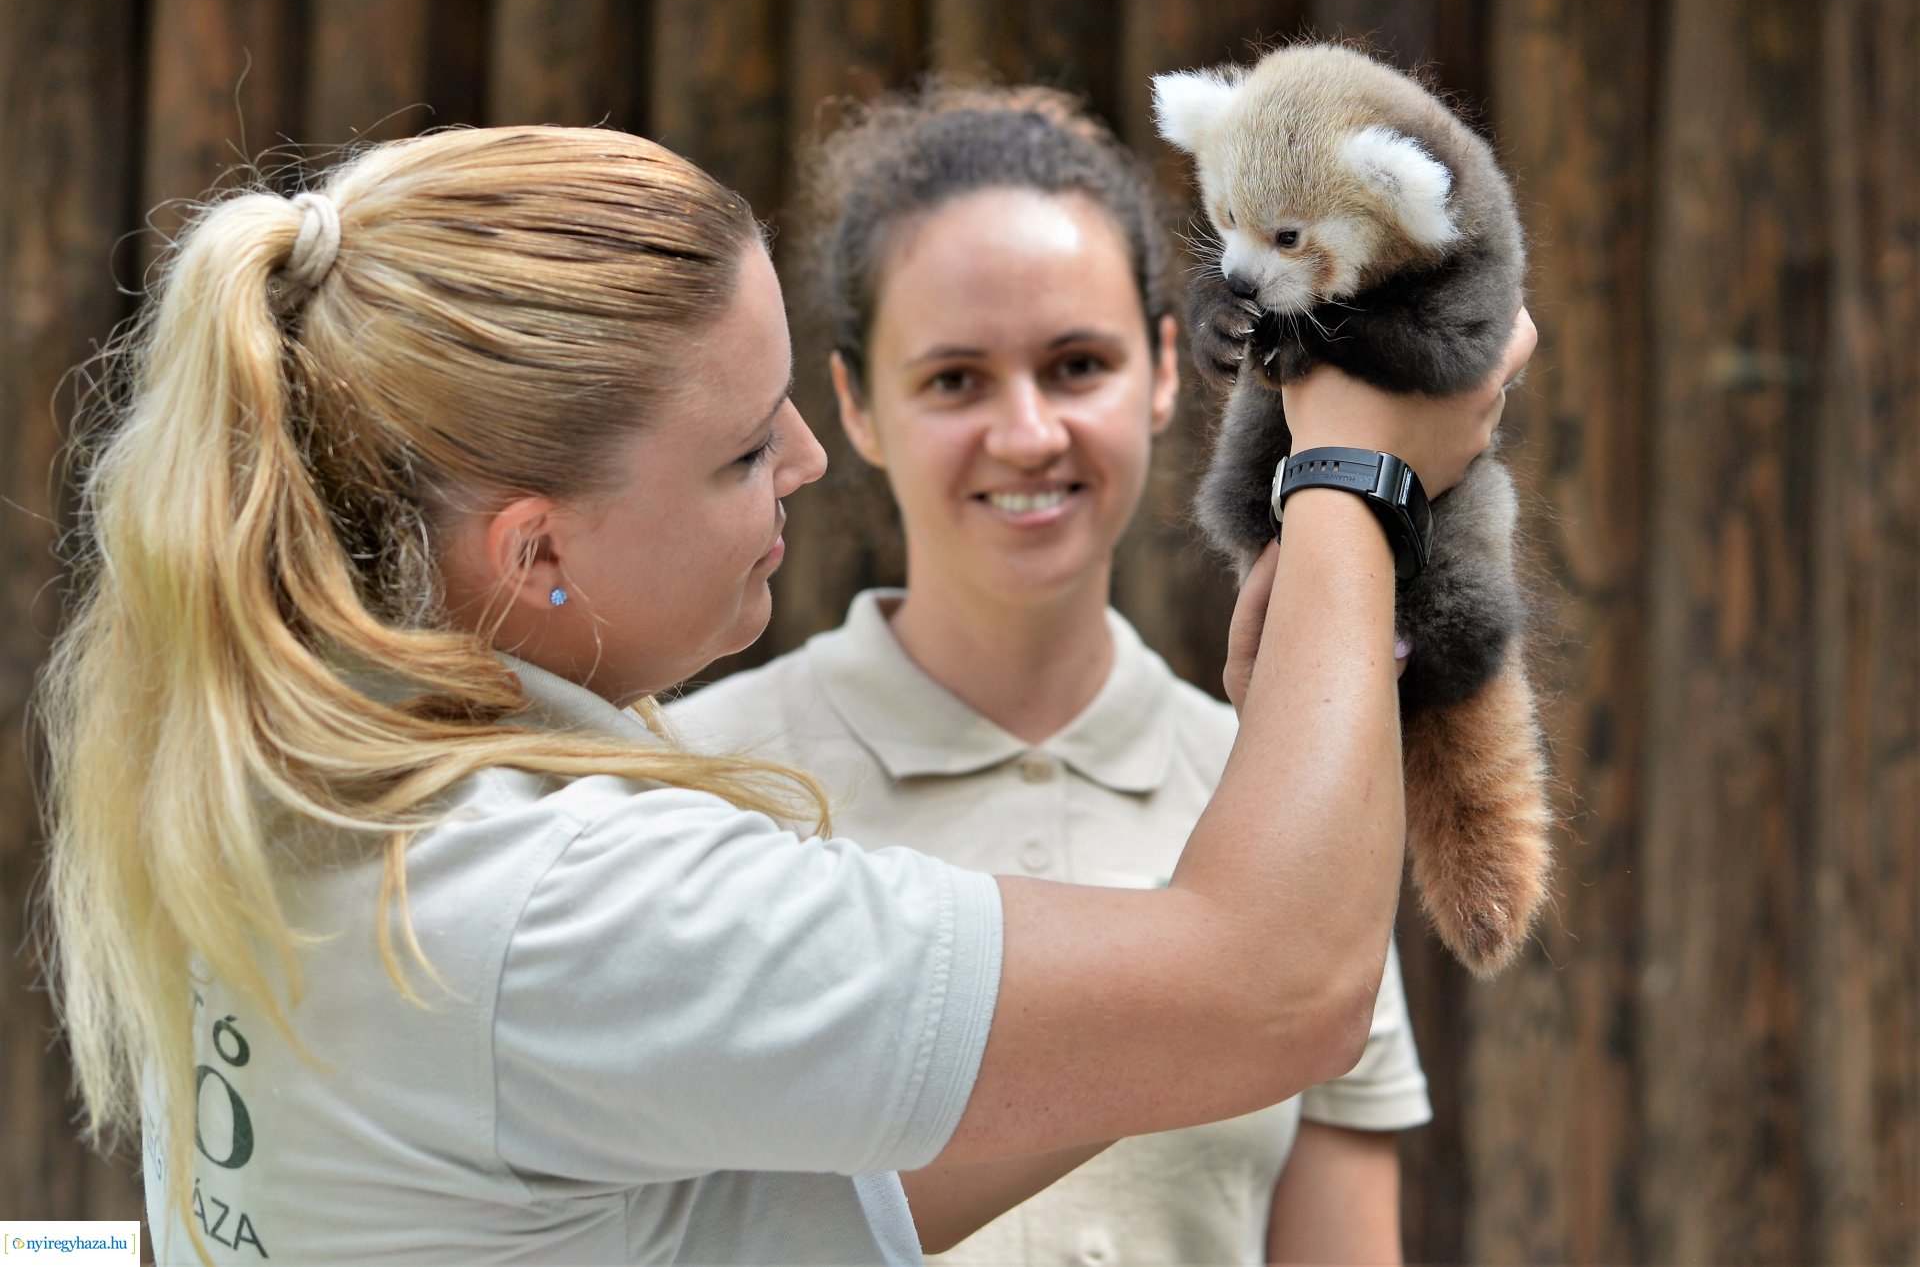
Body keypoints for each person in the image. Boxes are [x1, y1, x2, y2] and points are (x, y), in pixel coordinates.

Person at [36, 124, 1530, 1264]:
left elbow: (784, 1191)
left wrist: (1193, 934)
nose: (807, 466)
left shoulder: (287, 798)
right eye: (748, 449)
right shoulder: (568, 897)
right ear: (536, 545)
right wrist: (1354, 473)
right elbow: (1278, 987)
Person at [669, 84, 1431, 1264]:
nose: (1027, 434)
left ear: (1169, 368)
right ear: (858, 408)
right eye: (955, 380)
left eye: (1076, 364)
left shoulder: (1294, 803)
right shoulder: (683, 786)